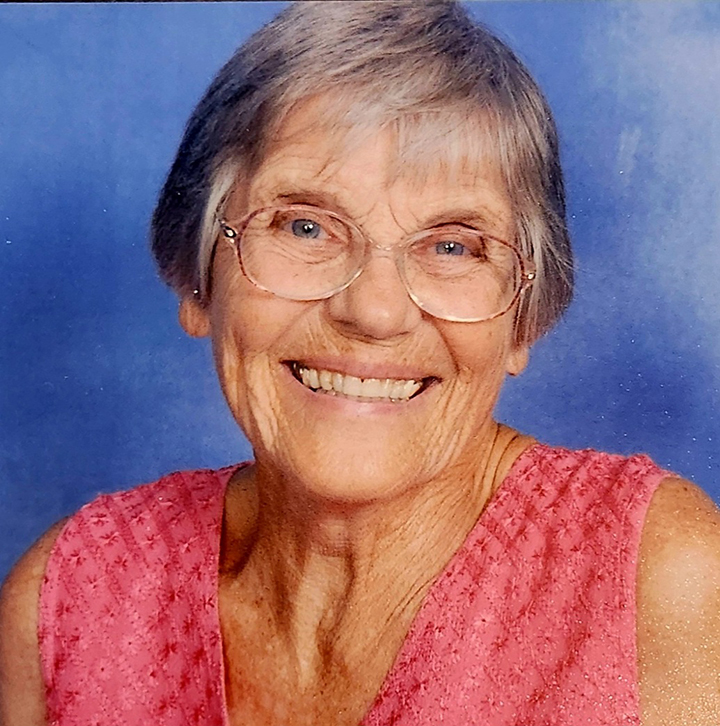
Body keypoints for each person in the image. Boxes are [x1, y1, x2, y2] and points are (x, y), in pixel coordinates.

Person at [1, 2, 719, 724]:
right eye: (305, 226)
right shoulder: (67, 601)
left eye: (453, 246)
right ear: (197, 280)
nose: (374, 312)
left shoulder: (658, 581)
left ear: (522, 320)